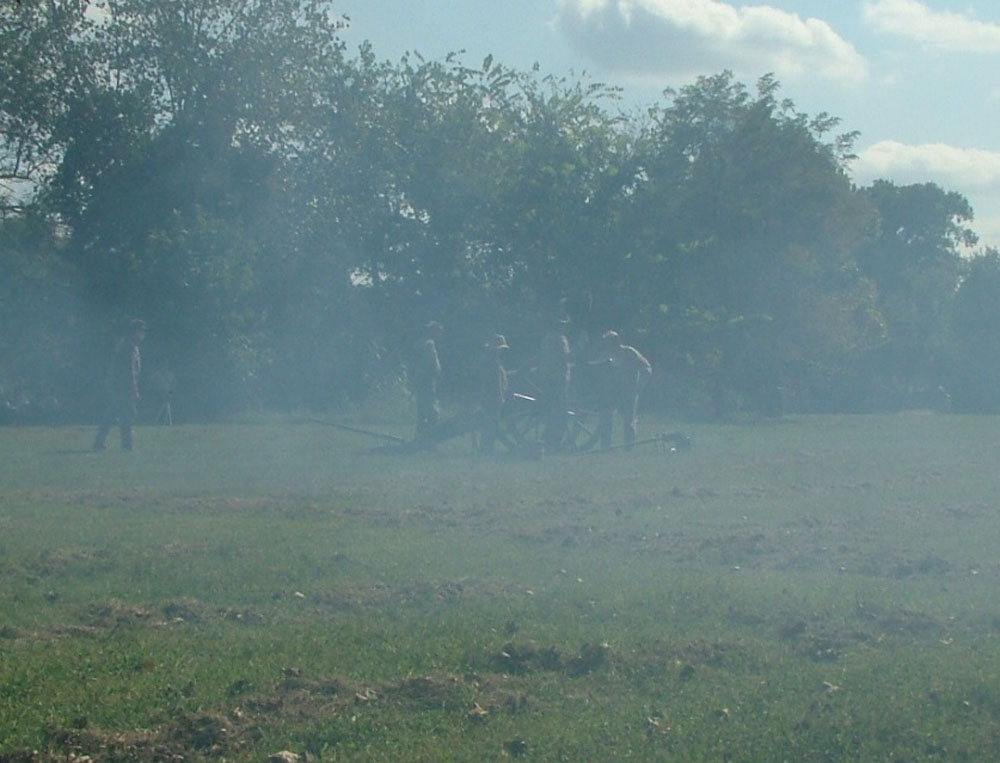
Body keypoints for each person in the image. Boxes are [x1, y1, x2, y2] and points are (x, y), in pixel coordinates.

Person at [588, 330, 652, 451]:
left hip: (629, 391)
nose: (607, 346)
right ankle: (606, 447)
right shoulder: (605, 355)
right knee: (606, 418)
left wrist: (640, 386)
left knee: (629, 420)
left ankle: (629, 447)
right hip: (611, 392)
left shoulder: (630, 352)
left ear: (616, 342)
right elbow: (597, 368)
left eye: (609, 343)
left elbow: (647, 368)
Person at [93, 318, 146, 451]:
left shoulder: (128, 345)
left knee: (112, 413)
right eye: (140, 331)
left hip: (119, 386)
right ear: (134, 331)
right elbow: (128, 370)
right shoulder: (129, 347)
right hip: (123, 387)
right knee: (126, 415)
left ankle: (99, 442)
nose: (142, 334)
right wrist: (133, 388)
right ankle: (127, 445)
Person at [537, 316, 571, 453]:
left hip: (547, 378)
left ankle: (549, 440)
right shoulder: (559, 339)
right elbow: (565, 357)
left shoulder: (547, 338)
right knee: (561, 412)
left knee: (552, 410)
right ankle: (553, 442)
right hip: (558, 379)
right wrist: (581, 347)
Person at [409, 321, 443, 438]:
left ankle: (421, 435)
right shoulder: (429, 344)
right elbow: (429, 362)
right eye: (438, 331)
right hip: (427, 381)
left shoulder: (418, 343)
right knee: (432, 412)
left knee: (422, 409)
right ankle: (430, 437)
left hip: (420, 381)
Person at [476, 334, 509, 454]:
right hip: (492, 397)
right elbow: (494, 382)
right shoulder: (492, 361)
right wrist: (499, 397)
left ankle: (486, 447)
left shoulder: (491, 359)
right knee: (490, 424)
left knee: (490, 423)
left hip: (489, 396)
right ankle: (486, 448)